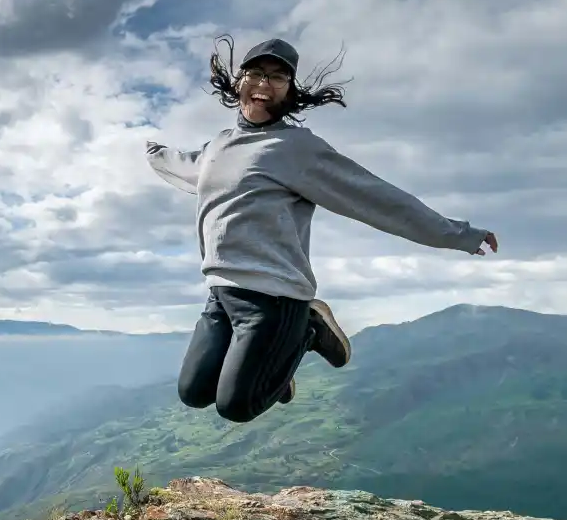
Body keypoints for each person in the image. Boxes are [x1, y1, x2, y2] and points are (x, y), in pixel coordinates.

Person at [145, 34, 498, 424]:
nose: (264, 84)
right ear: (239, 80)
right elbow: (184, 164)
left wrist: (458, 234)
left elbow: (376, 197)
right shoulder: (219, 146)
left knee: (237, 406)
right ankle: (276, 364)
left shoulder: (296, 148)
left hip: (272, 299)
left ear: (290, 91)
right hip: (221, 294)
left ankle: (307, 329)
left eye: (278, 78)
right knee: (193, 393)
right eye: (257, 73)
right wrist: (148, 150)